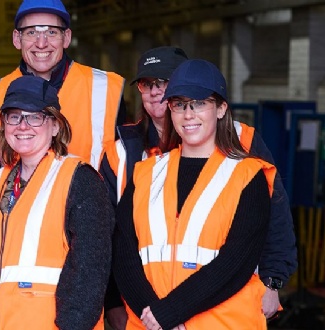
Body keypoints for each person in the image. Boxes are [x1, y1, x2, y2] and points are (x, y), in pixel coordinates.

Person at [99, 47, 297, 326]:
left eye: (199, 103)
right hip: (149, 320)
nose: (188, 114)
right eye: (179, 104)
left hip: (221, 320)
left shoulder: (247, 171)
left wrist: (273, 279)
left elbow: (239, 258)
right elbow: (122, 250)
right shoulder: (144, 171)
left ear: (221, 108)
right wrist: (154, 315)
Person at [0, 76, 112, 329]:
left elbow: (90, 269)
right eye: (14, 117)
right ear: (4, 125)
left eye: (35, 117)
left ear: (55, 126)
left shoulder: (79, 178)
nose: (23, 126)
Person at [0, 0, 124, 168]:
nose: (41, 43)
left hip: (88, 185)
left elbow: (122, 167)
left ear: (66, 38)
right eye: (31, 32)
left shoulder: (107, 89)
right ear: (17, 39)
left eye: (51, 32)